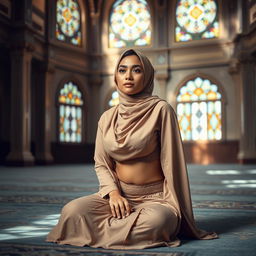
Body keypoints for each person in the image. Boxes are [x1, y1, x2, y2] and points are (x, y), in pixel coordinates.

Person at [46, 49, 218, 249]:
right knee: (72, 211)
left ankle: (106, 230)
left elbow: (173, 163)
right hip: (118, 196)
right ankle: (122, 230)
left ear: (146, 76)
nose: (128, 76)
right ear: (116, 77)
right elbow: (101, 163)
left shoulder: (161, 110)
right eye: (122, 70)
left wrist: (179, 208)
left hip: (157, 200)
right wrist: (114, 194)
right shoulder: (107, 118)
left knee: (157, 223)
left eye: (136, 70)